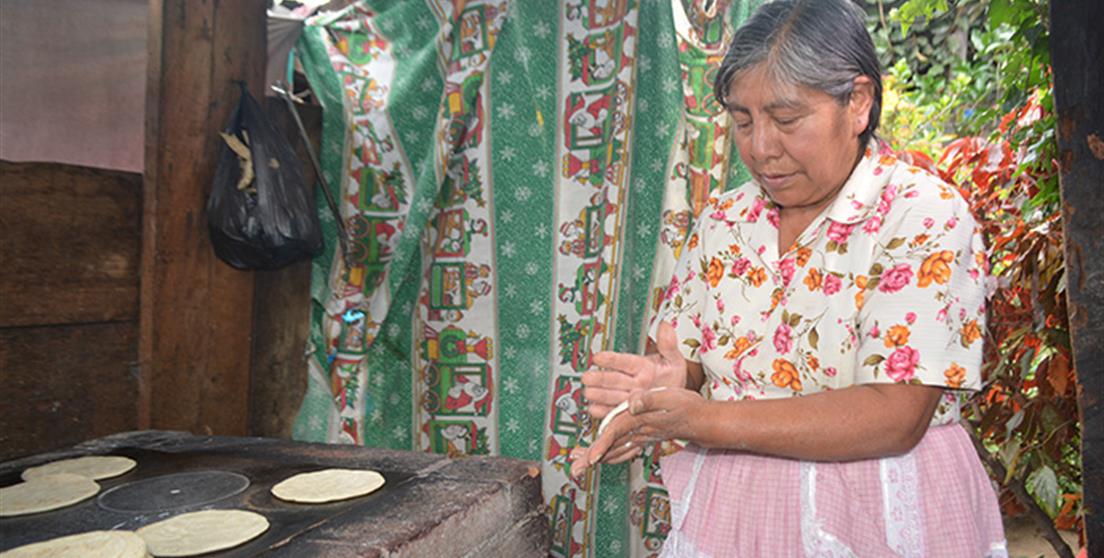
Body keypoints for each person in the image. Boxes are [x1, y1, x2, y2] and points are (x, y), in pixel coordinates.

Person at [571, 1, 1009, 556]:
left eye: (785, 120)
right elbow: (697, 368)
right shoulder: (724, 222)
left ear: (858, 102)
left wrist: (707, 421)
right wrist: (664, 385)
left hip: (880, 511)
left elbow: (895, 416)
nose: (760, 148)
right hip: (736, 514)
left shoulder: (919, 214)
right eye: (743, 121)